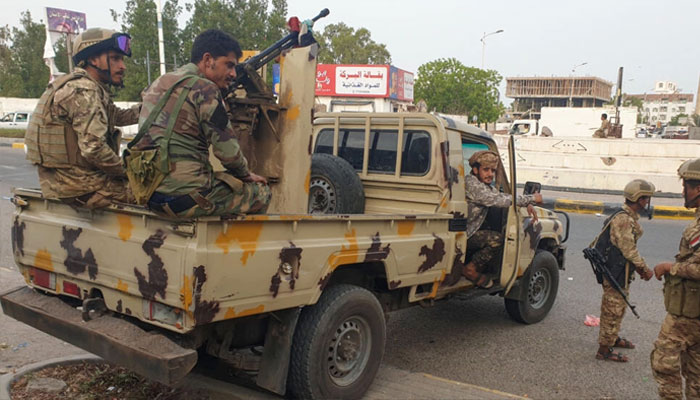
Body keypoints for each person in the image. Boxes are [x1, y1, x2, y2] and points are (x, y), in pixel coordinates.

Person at [126, 29, 270, 218]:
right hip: (184, 199)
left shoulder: (160, 82)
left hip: (150, 194)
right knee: (261, 193)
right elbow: (228, 154)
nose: (234, 73)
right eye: (229, 65)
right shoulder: (205, 89)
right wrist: (246, 174)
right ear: (208, 59)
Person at [25, 28, 139, 208]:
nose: (122, 66)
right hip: (80, 186)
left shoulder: (85, 86)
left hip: (68, 182)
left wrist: (151, 108)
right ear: (93, 59)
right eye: (115, 59)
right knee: (151, 192)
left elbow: (115, 116)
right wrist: (129, 172)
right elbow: (94, 149)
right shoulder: (84, 90)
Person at [651, 158, 700, 399]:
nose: (683, 192)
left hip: (688, 316)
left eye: (686, 187)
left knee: (664, 363)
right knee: (696, 376)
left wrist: (670, 267)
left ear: (698, 189)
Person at [591, 179, 655, 362]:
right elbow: (629, 250)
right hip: (615, 272)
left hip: (620, 271)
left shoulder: (625, 216)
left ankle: (613, 337)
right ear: (640, 199)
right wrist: (645, 269)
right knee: (613, 308)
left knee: (618, 306)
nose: (647, 203)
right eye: (646, 199)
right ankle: (604, 350)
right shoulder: (624, 219)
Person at [460, 150, 542, 287]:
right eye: (486, 170)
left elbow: (502, 196)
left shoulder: (483, 185)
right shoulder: (470, 183)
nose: (490, 174)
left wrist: (527, 203)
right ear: (475, 169)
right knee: (497, 240)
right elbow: (497, 200)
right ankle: (471, 269)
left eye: (493, 170)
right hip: (464, 234)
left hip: (465, 231)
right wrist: (532, 198)